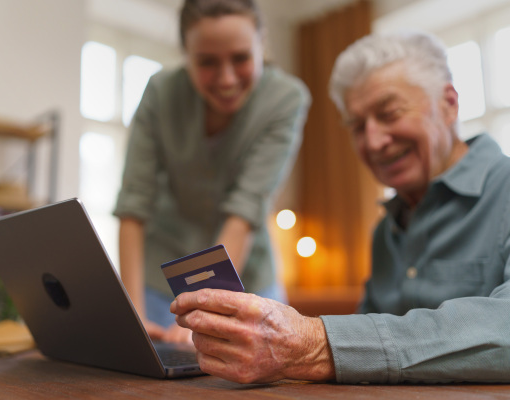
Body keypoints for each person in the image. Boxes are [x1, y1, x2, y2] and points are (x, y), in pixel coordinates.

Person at [170, 30, 510, 384]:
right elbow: (369, 348)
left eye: (390, 113)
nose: (374, 142)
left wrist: (311, 344)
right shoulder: (386, 232)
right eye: (358, 126)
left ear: (450, 103)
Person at [113, 0, 311, 343]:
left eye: (241, 58)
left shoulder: (286, 99)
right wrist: (133, 313)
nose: (227, 78)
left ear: (261, 45)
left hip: (247, 277)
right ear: (185, 55)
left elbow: (245, 210)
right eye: (207, 62)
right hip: (161, 280)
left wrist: (204, 313)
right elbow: (133, 204)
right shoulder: (160, 93)